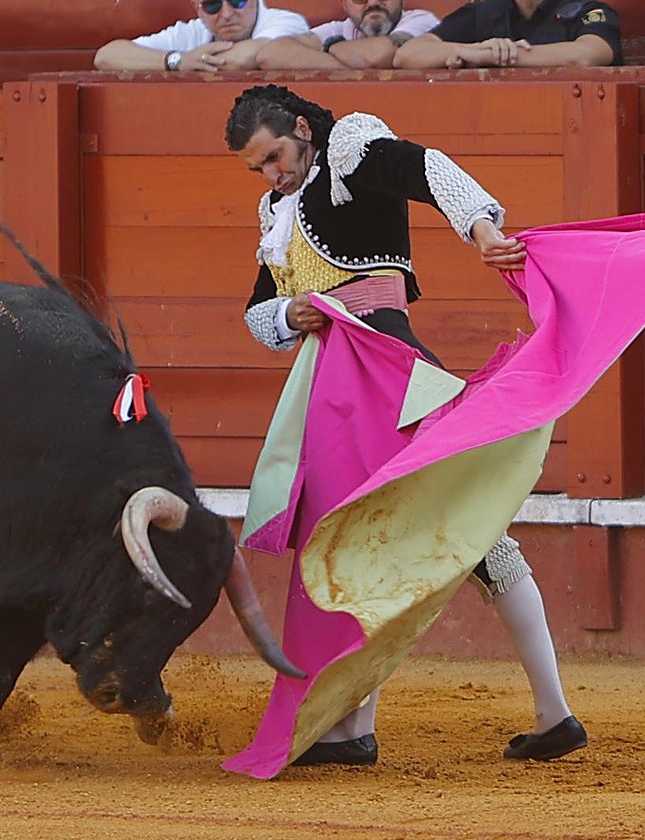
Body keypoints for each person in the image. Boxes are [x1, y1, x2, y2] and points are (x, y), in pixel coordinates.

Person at [223, 84, 587, 769]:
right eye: (258, 169)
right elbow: (257, 310)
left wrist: (483, 230)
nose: (271, 174)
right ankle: (361, 725)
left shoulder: (349, 153)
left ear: (301, 128)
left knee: (453, 537)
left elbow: (427, 169)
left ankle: (545, 712)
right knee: (362, 540)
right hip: (330, 389)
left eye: (274, 156)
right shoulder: (275, 209)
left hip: (388, 372)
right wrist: (290, 313)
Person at [393, 0, 621, 69]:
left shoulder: (587, 10)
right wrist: (471, 51)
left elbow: (588, 54)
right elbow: (406, 55)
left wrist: (495, 57)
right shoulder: (485, 11)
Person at [93, 0, 308, 73]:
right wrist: (176, 60)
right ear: (197, 8)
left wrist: (196, 60)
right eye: (212, 5)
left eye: (237, 1)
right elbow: (106, 56)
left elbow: (242, 59)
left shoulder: (286, 21)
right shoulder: (192, 32)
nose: (226, 14)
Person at [256, 0, 439, 70]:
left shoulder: (421, 20)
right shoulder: (339, 29)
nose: (373, 3)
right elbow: (270, 55)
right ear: (344, 5)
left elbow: (377, 55)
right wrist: (346, 68)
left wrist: (330, 47)